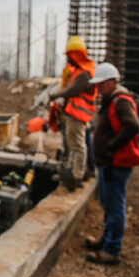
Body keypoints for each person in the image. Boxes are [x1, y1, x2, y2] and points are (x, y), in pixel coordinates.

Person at [85, 62, 139, 265]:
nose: (98, 89)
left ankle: (112, 249)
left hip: (115, 164)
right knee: (108, 204)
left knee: (114, 206)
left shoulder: (121, 101)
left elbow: (133, 125)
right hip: (109, 163)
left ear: (112, 82)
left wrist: (112, 146)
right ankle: (106, 239)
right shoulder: (111, 100)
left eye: (101, 84)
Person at [49, 36, 97, 190]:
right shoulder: (78, 72)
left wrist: (55, 96)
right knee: (73, 144)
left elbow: (72, 90)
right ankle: (75, 172)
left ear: (76, 55)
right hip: (73, 115)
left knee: (78, 145)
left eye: (69, 56)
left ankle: (77, 175)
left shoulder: (85, 74)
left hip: (78, 115)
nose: (68, 59)